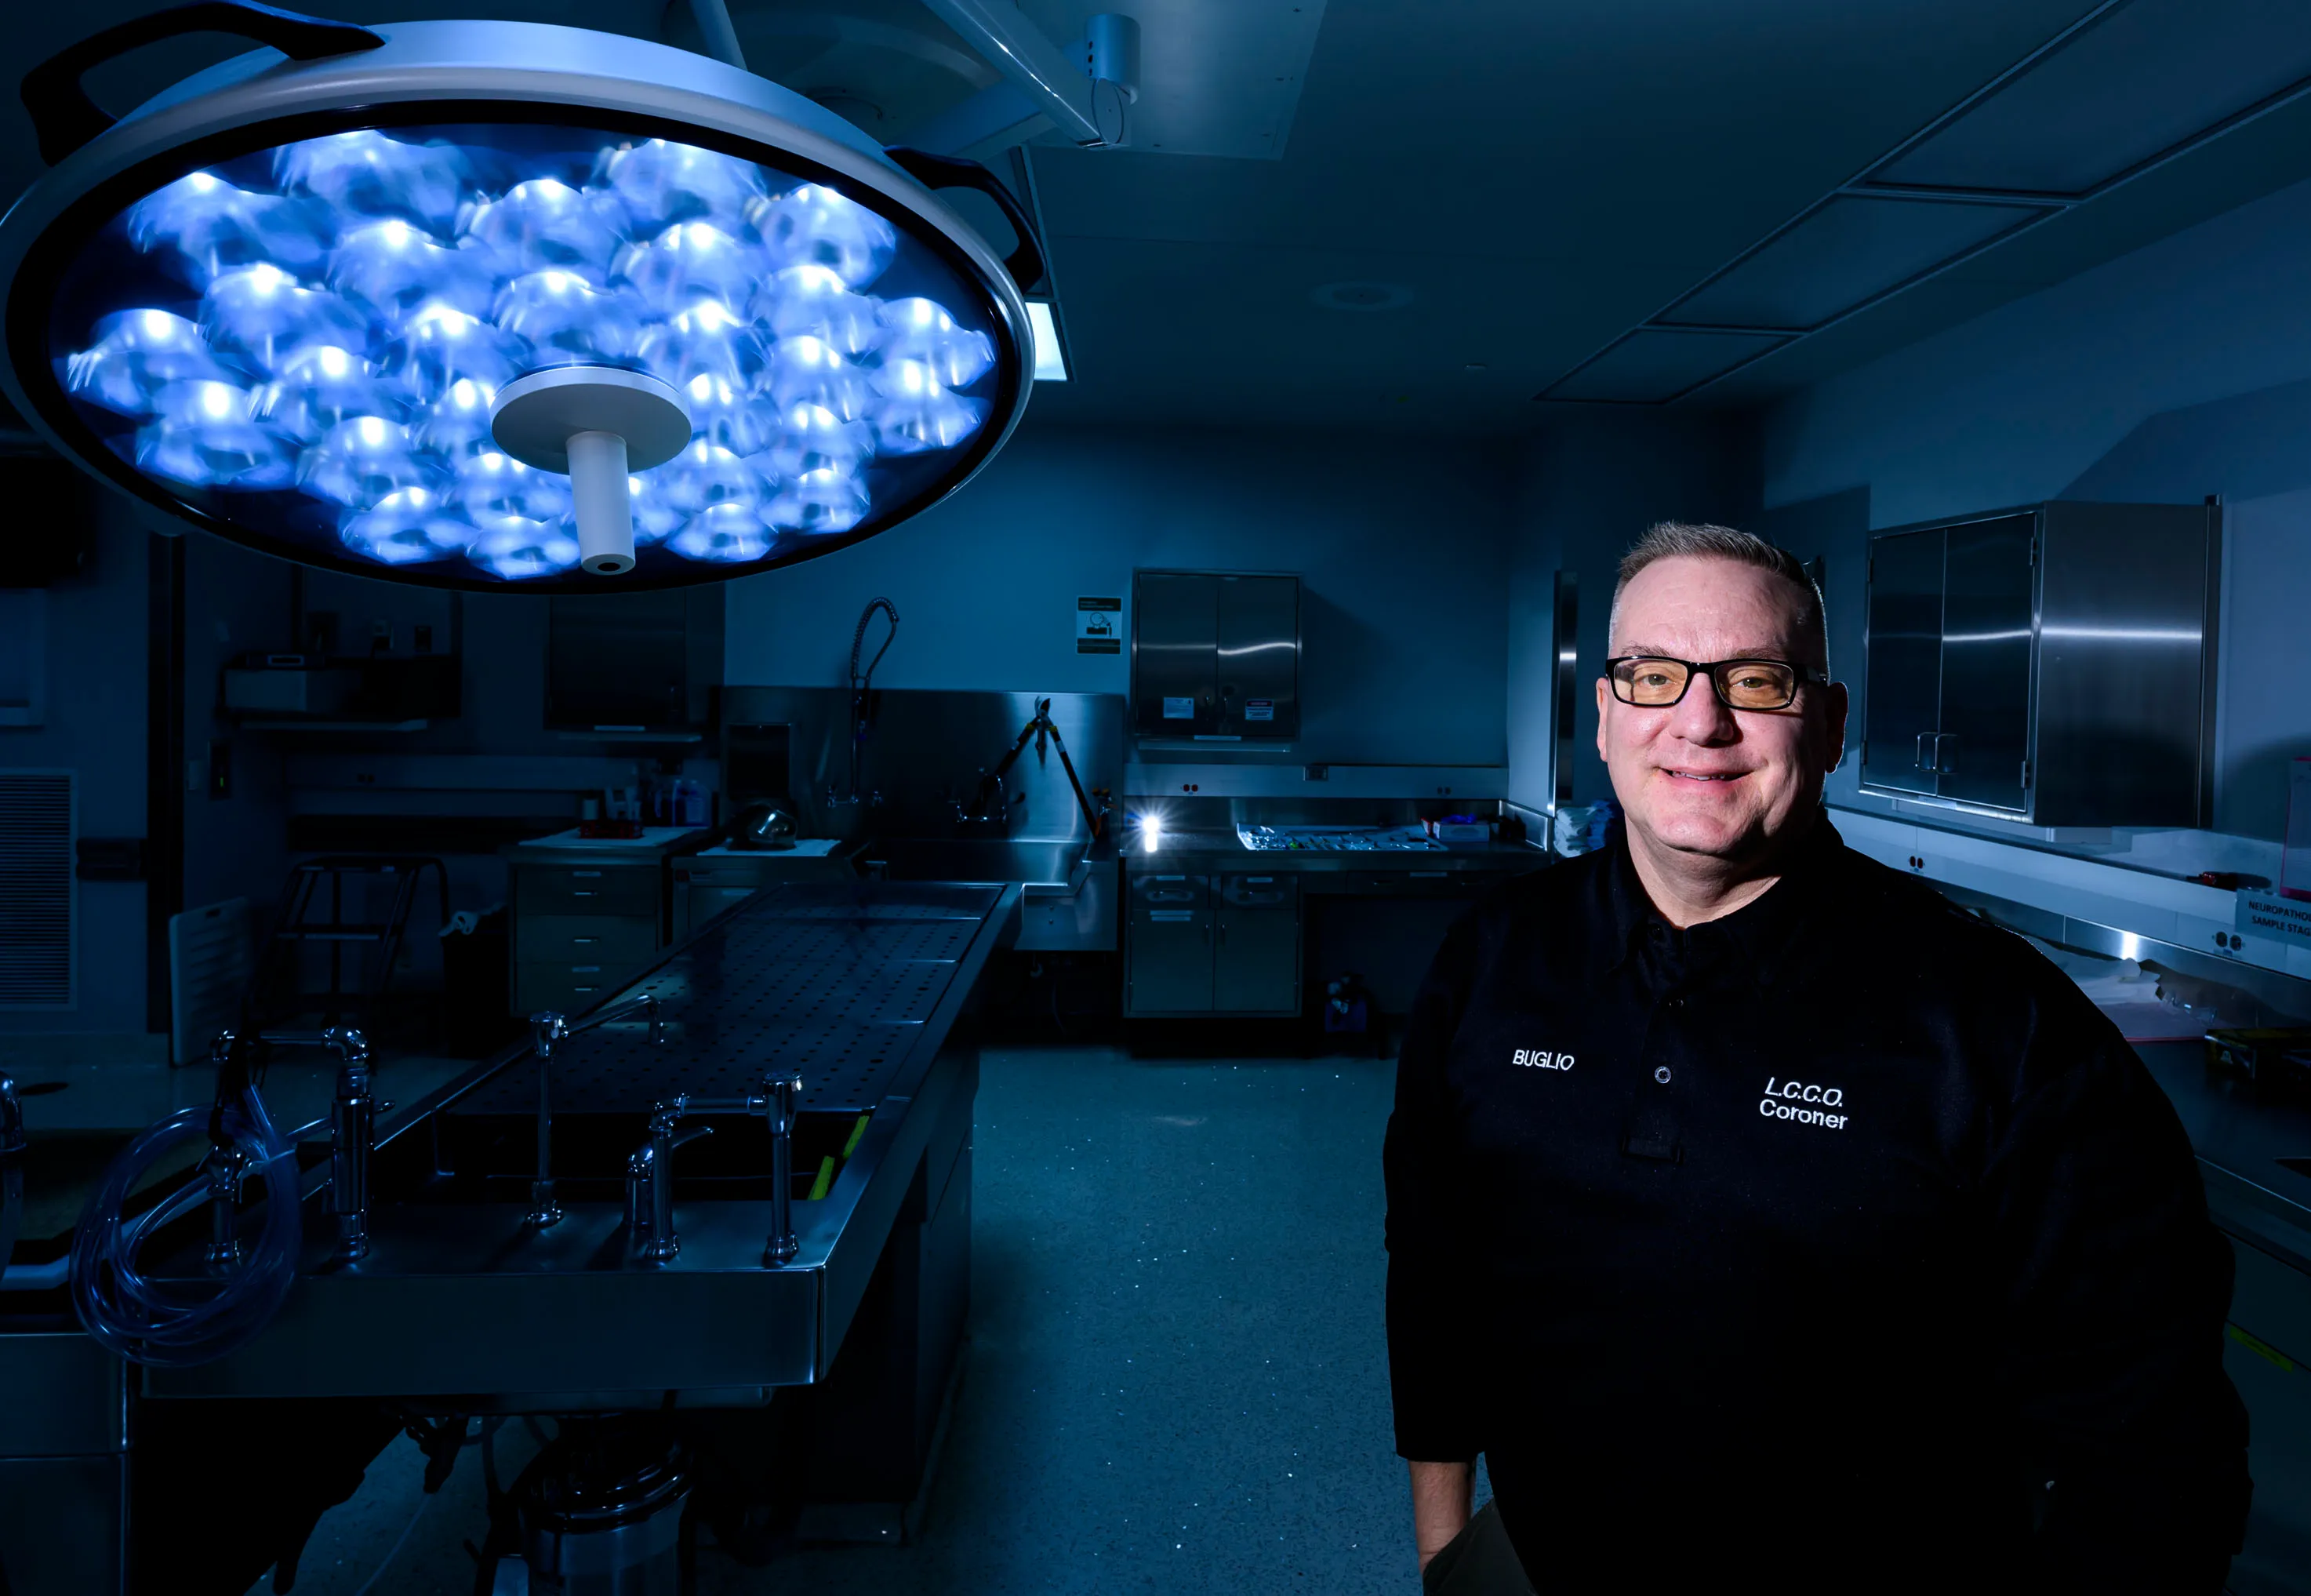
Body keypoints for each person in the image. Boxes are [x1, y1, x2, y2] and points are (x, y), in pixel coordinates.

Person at [1384, 522, 2248, 1593]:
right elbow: (1434, 1268)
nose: (1700, 722)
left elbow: (2154, 1451)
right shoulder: (1493, 958)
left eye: (1758, 680)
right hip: (1528, 1562)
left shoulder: (2001, 1026)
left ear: (1830, 726)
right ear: (1604, 716)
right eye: (1652, 676)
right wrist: (1445, 1551)